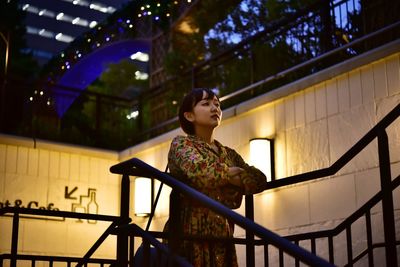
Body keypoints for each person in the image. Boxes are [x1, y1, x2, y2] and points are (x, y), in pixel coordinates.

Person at [166, 88, 267, 267]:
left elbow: (259, 178)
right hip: (190, 229)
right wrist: (231, 176)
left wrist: (231, 177)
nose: (215, 108)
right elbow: (200, 171)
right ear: (189, 116)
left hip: (223, 230)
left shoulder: (228, 153)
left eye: (217, 104)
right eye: (206, 104)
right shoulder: (181, 143)